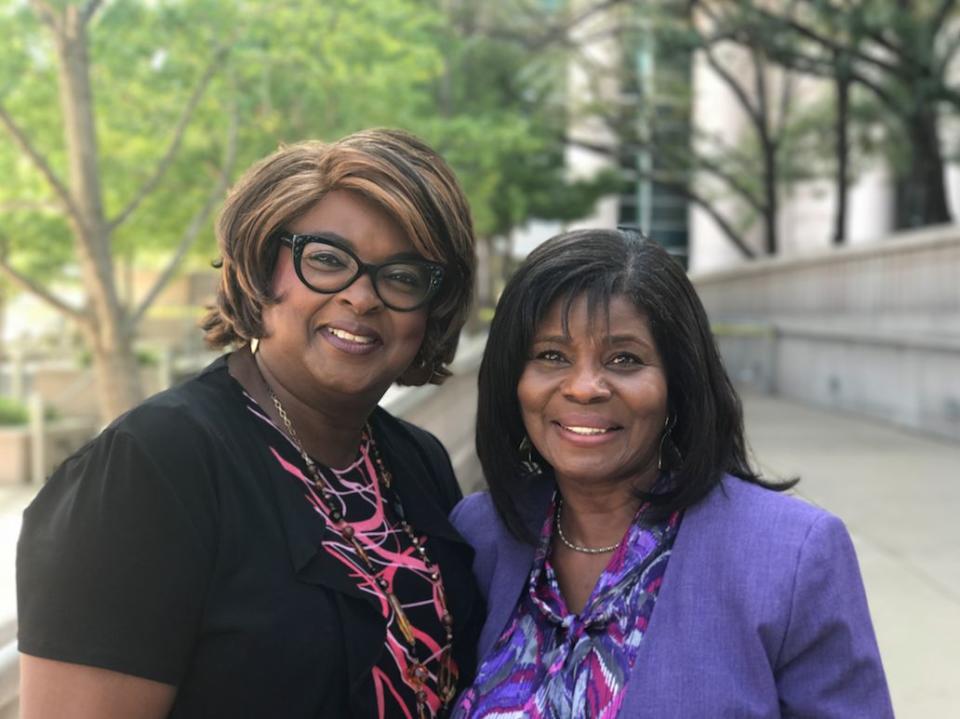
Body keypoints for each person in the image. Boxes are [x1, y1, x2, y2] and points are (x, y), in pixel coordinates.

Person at [17, 129, 484, 719]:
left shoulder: (416, 460)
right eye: (326, 259)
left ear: (429, 308)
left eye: (403, 276)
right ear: (263, 273)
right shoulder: (149, 471)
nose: (363, 298)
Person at [450, 228, 893, 718]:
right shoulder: (479, 537)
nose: (584, 388)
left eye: (624, 359)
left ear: (676, 383)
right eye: (552, 355)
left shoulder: (792, 556)